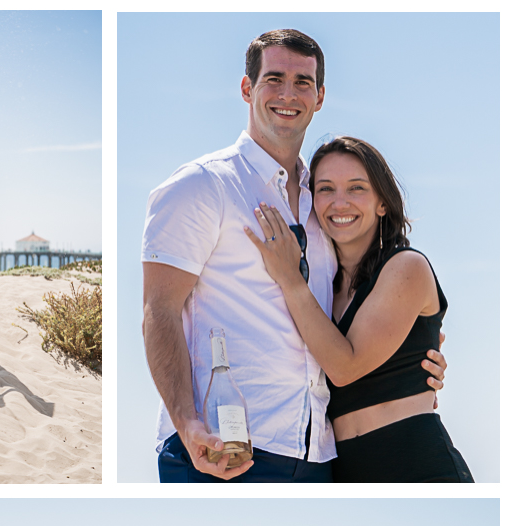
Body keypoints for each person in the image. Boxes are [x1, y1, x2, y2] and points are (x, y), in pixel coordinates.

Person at [142, 29, 447, 482]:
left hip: (321, 457)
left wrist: (418, 353)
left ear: (320, 96)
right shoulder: (202, 186)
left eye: (303, 82)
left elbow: (358, 319)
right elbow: (158, 311)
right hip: (226, 450)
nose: (289, 94)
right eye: (274, 78)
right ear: (248, 88)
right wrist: (187, 425)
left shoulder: (322, 207)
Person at [245, 137, 473, 482]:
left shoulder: (406, 267)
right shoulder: (322, 290)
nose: (340, 202)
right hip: (346, 472)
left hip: (417, 465)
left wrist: (290, 279)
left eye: (356, 188)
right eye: (325, 189)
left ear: (382, 203)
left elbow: (344, 367)